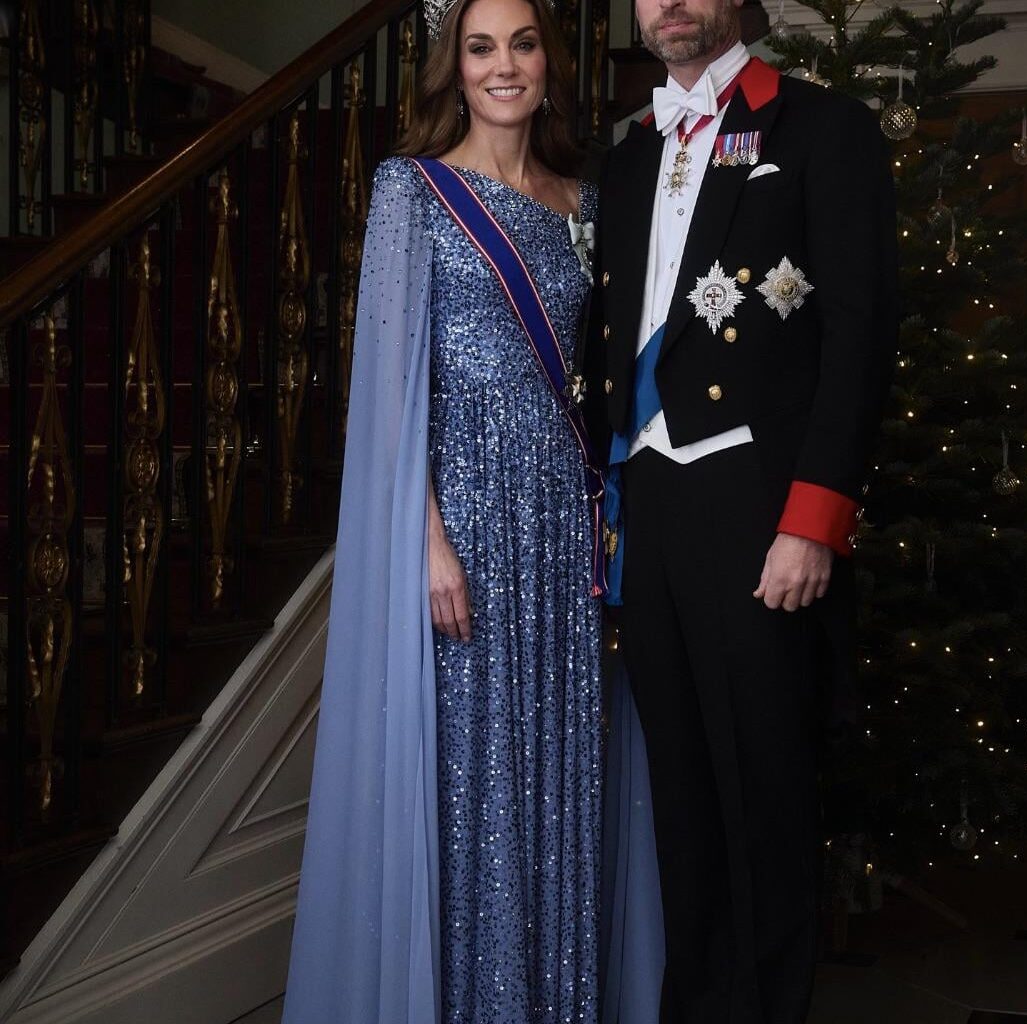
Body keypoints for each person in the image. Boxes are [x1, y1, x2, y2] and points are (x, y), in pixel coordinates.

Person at [280, 0, 627, 1018]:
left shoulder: (585, 203)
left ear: (548, 63)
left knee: (554, 768)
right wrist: (425, 539)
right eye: (482, 48)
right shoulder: (412, 192)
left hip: (560, 524)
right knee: (472, 777)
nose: (504, 66)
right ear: (454, 68)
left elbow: (600, 375)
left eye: (522, 44)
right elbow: (390, 385)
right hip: (463, 524)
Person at [586, 0, 898, 1016]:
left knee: (763, 792)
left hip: (760, 506)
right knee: (679, 794)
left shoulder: (823, 128)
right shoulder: (627, 156)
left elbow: (858, 335)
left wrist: (815, 516)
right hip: (654, 501)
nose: (666, 2)